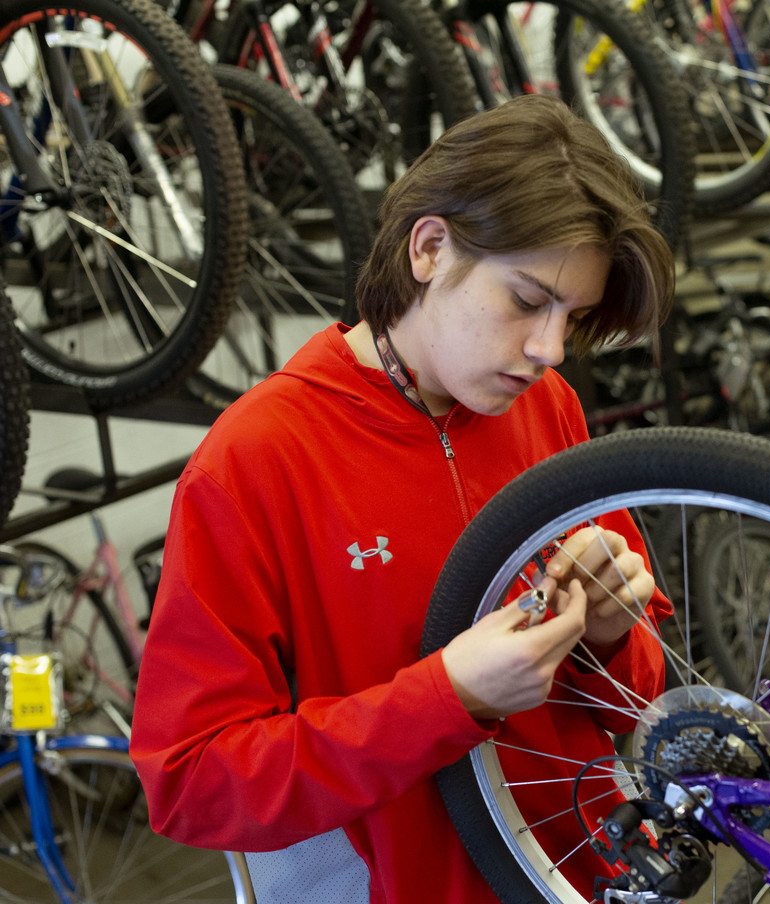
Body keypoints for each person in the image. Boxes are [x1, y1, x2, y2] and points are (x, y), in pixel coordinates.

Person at [129, 94, 677, 904]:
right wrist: (446, 697)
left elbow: (641, 694)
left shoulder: (545, 405)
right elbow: (191, 783)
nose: (549, 349)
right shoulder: (256, 460)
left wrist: (610, 634)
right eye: (528, 301)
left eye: (575, 316)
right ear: (429, 247)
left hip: (597, 877)